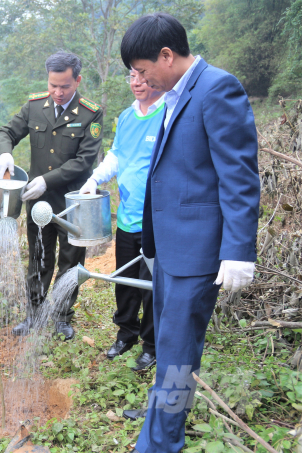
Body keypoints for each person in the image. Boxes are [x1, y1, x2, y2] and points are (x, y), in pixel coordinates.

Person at [118, 13, 259, 452]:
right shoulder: (176, 94)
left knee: (178, 359)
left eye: (142, 71)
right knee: (167, 349)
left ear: (167, 55)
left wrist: (238, 250)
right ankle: (159, 427)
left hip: (197, 253)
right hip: (170, 248)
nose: (139, 80)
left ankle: (161, 445)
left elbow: (239, 176)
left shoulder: (217, 88)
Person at [0, 52, 103, 340]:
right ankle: (34, 314)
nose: (57, 92)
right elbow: (6, 131)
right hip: (38, 202)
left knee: (70, 262)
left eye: (65, 86)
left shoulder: (90, 113)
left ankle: (61, 317)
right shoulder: (34, 107)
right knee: (39, 259)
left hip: (72, 205)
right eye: (53, 85)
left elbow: (83, 161)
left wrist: (46, 180)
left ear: (77, 80)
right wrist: (5, 152)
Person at [80, 70, 165, 371]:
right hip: (128, 217)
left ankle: (152, 345)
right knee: (124, 282)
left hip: (156, 220)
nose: (137, 82)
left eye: (143, 74)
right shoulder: (126, 117)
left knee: (151, 285)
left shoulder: (169, 111)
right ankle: (126, 334)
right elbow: (116, 155)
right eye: (132, 75)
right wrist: (93, 179)